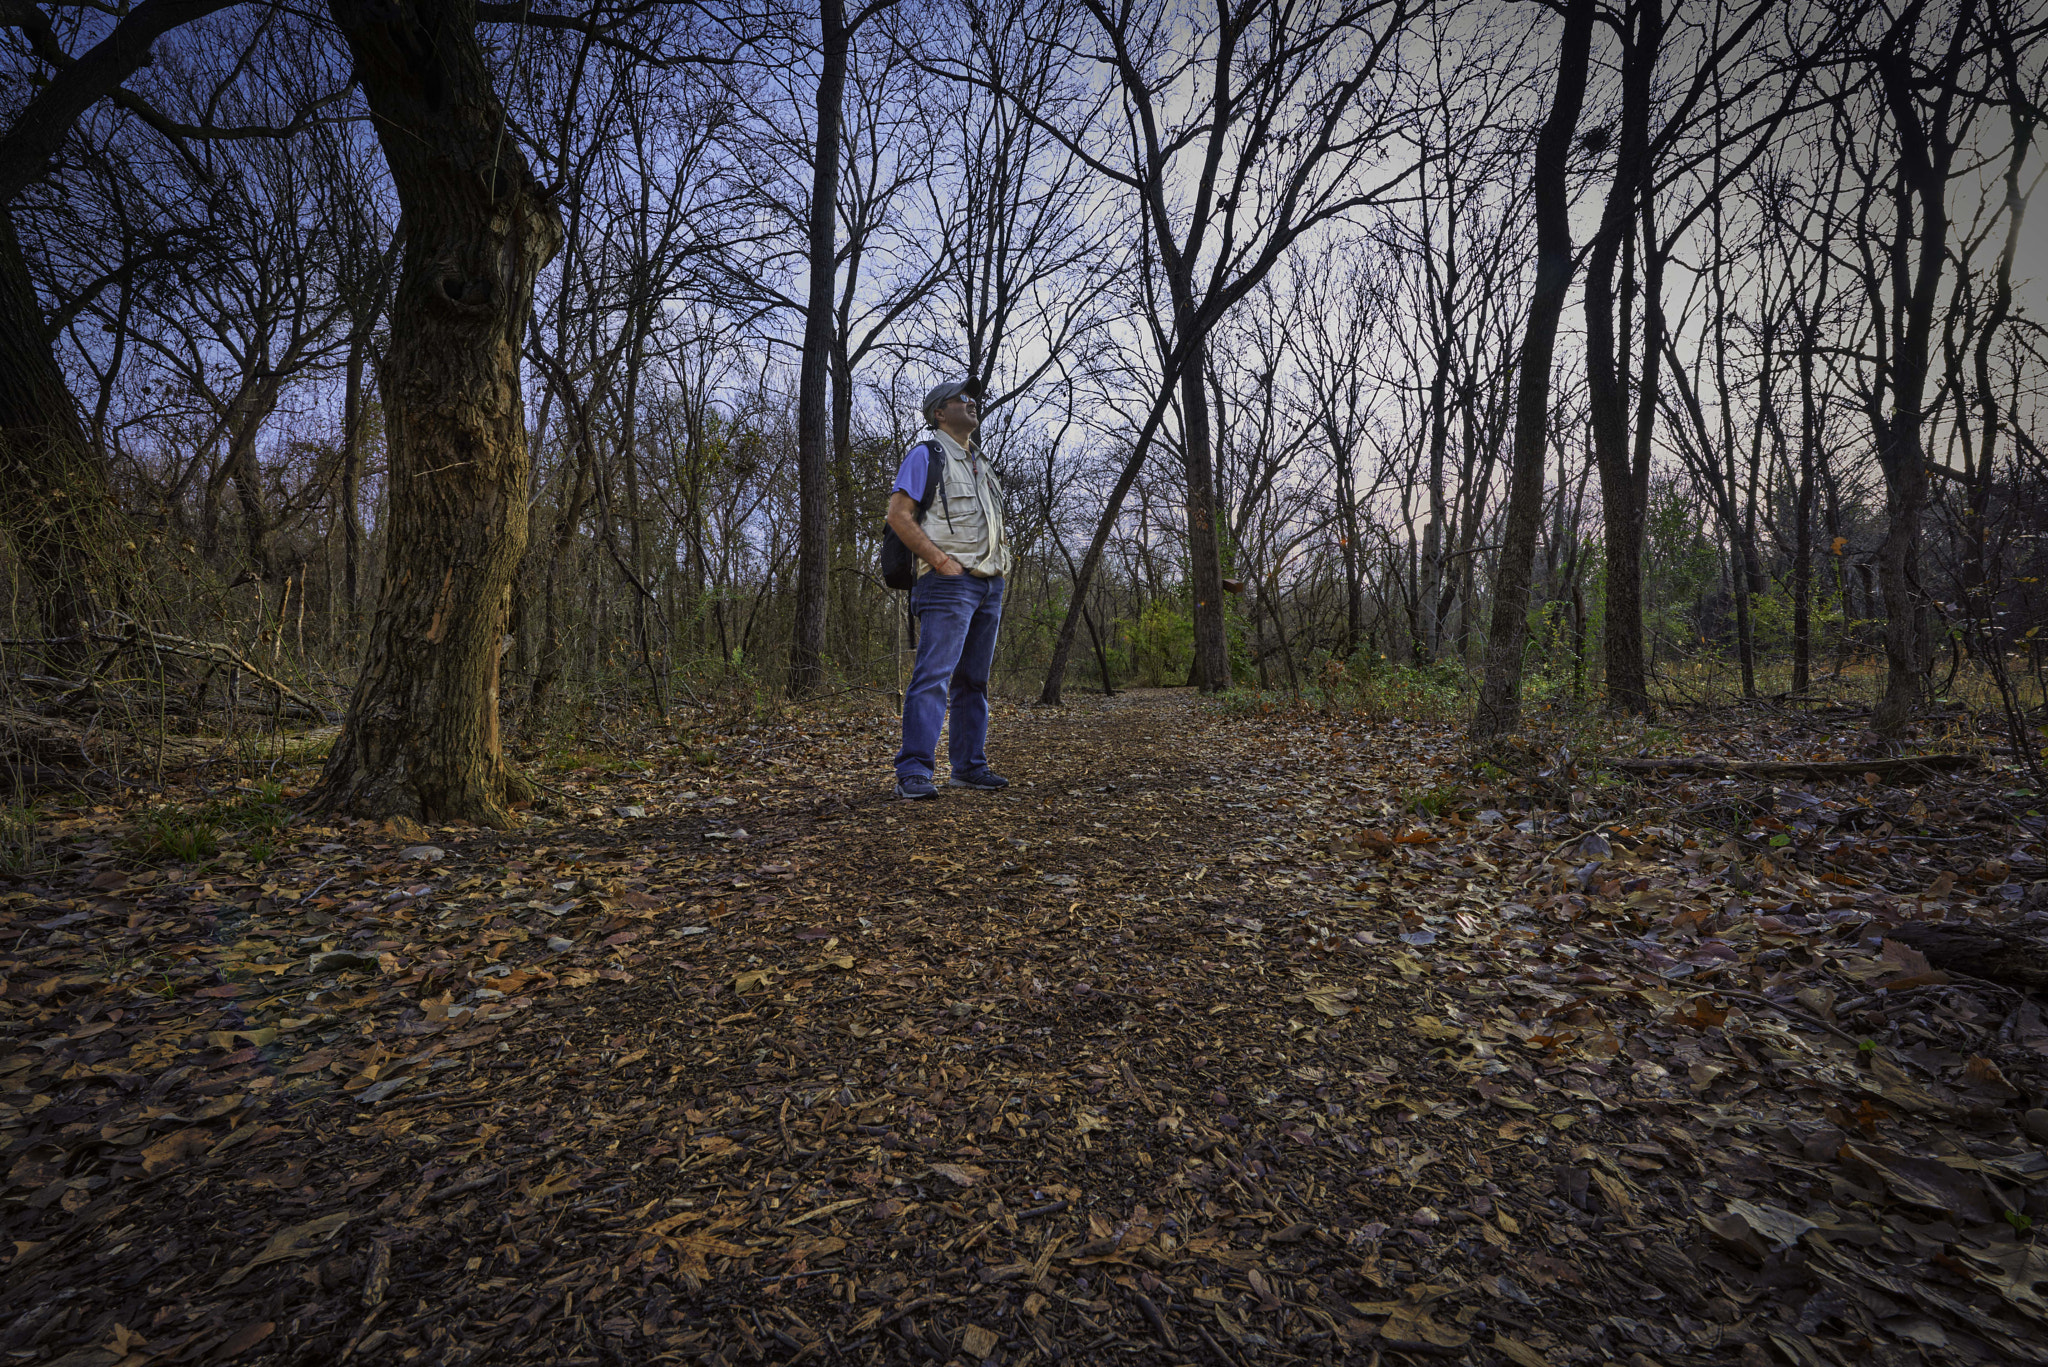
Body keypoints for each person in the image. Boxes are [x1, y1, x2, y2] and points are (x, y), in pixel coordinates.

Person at [887, 378, 1012, 799]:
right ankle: (915, 771)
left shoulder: (983, 464)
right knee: (934, 676)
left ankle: (969, 767)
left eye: (973, 398)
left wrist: (999, 570)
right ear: (940, 412)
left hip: (989, 586)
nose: (972, 402)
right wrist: (941, 561)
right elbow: (899, 515)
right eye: (963, 398)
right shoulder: (927, 455)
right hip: (947, 584)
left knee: (973, 681)